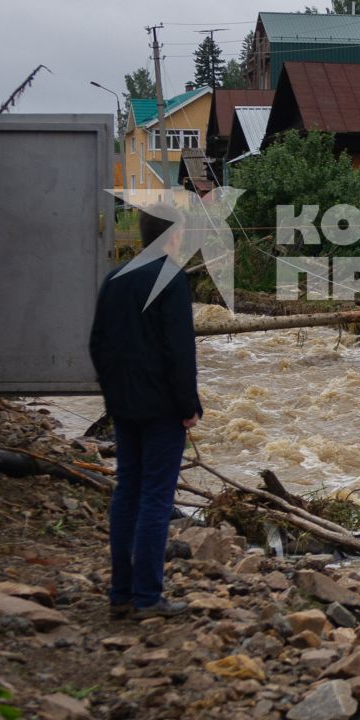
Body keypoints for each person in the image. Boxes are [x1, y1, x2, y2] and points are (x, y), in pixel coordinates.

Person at [89, 205, 202, 620]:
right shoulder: (170, 278)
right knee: (156, 498)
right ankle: (148, 597)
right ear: (172, 237)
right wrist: (188, 406)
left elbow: (98, 344)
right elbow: (179, 349)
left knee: (127, 493)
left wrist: (112, 396)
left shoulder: (114, 278)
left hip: (124, 406)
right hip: (161, 410)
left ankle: (121, 593)